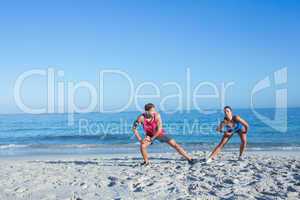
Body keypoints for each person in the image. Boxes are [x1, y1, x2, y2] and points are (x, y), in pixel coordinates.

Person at [132, 103, 196, 165]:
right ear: (146, 111)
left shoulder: (157, 115)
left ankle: (190, 159)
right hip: (149, 135)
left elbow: (159, 130)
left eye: (154, 110)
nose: (154, 112)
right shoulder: (141, 118)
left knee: (175, 145)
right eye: (152, 111)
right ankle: (146, 162)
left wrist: (152, 139)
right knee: (143, 146)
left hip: (159, 133)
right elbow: (134, 128)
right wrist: (140, 140)